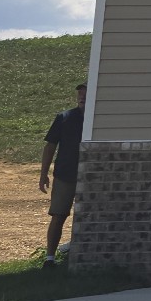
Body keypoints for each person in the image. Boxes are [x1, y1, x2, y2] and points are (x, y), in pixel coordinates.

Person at [40, 83, 86, 267]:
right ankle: (49, 258)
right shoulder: (64, 118)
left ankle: (79, 252)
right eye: (80, 95)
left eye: (86, 95)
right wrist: (43, 174)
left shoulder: (98, 119)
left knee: (85, 216)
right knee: (58, 215)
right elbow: (50, 146)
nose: (82, 97)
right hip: (65, 174)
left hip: (90, 176)